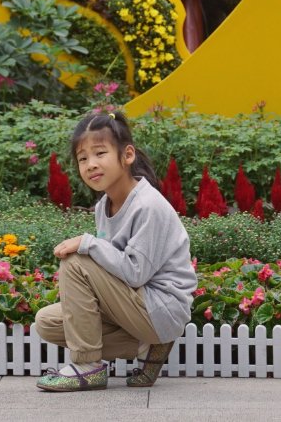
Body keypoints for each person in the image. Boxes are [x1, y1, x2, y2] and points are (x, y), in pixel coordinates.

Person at [33, 107, 195, 392]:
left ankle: (88, 367)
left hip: (161, 306)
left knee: (76, 260)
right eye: (83, 158)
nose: (90, 164)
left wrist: (88, 244)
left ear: (127, 155)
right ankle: (149, 347)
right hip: (136, 306)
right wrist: (90, 248)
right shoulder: (103, 207)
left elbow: (135, 272)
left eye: (100, 153)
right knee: (47, 322)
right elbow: (110, 270)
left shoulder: (148, 205)